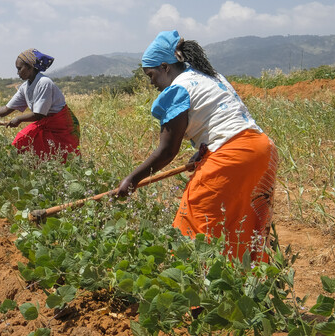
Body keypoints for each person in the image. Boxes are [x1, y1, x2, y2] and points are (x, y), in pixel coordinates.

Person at [117, 30, 278, 262]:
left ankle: (195, 291)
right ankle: (243, 285)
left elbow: (167, 151)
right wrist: (204, 152)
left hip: (232, 156)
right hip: (262, 150)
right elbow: (222, 122)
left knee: (194, 224)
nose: (151, 82)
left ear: (165, 67)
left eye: (150, 75)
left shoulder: (177, 90)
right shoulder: (210, 76)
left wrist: (133, 179)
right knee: (245, 221)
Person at [0, 48, 80, 161]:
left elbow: (39, 115)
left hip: (62, 126)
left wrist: (19, 119)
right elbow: (7, 109)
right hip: (46, 123)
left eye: (19, 69)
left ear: (30, 67)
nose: (18, 73)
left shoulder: (44, 83)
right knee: (21, 143)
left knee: (65, 155)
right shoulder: (25, 87)